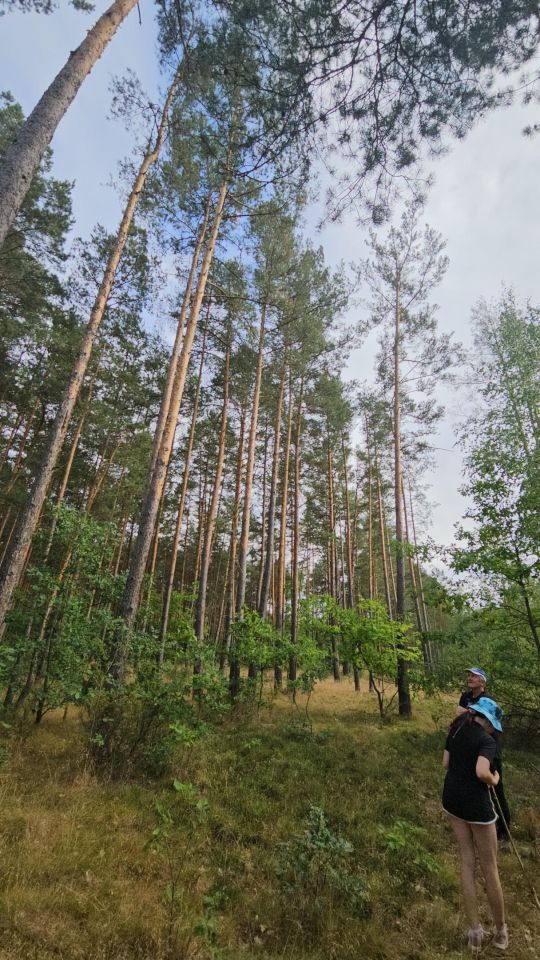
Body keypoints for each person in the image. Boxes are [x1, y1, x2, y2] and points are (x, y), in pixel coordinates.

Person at [443, 697, 509, 952]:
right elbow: (482, 772)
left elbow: (446, 763)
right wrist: (494, 778)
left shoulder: (456, 728)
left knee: (467, 861)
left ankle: (474, 932)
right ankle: (501, 932)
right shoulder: (486, 740)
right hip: (476, 807)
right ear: (489, 722)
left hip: (451, 799)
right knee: (490, 867)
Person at [457, 668, 511, 840]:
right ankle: (481, 821)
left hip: (489, 747)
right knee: (476, 783)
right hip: (472, 745)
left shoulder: (488, 700)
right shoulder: (465, 696)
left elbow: (484, 722)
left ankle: (504, 829)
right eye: (469, 675)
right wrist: (470, 714)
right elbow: (458, 714)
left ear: (482, 681)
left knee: (495, 786)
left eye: (474, 676)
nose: (470, 678)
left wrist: (468, 714)